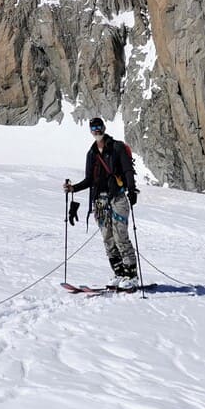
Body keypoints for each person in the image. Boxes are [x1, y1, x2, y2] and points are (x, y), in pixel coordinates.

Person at [63, 117, 139, 289]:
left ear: (104, 127)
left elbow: (127, 169)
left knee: (121, 236)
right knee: (108, 238)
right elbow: (89, 179)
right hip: (99, 201)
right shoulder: (91, 153)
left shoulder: (117, 147)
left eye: (98, 126)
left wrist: (132, 190)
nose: (96, 130)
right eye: (93, 127)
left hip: (117, 197)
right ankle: (119, 273)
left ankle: (131, 275)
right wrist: (73, 188)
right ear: (90, 130)